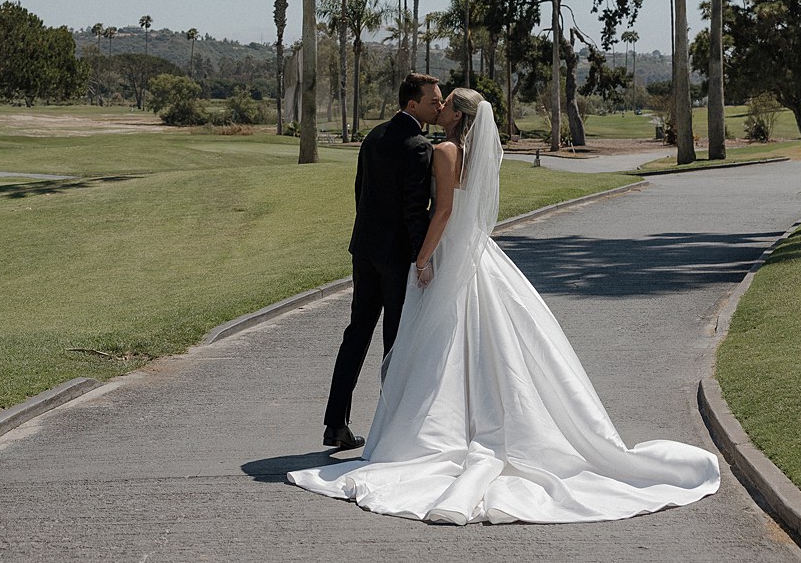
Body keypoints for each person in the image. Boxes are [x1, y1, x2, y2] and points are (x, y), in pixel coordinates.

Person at [290, 88, 720, 525]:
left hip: (437, 251)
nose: (439, 107)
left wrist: (421, 259)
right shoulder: (479, 154)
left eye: (445, 102)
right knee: (474, 340)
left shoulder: (439, 150)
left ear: (457, 114)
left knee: (424, 342)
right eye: (435, 100)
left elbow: (441, 212)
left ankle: (408, 428)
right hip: (473, 252)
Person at [320, 71, 442, 451]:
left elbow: (361, 193)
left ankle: (335, 424)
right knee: (395, 341)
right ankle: (389, 432)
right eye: (433, 101)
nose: (438, 105)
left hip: (365, 251)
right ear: (412, 105)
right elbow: (414, 211)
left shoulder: (372, 137)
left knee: (356, 334)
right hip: (396, 258)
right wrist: (422, 260)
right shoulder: (419, 146)